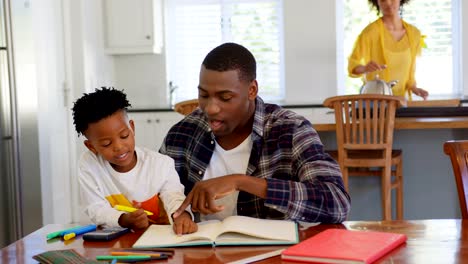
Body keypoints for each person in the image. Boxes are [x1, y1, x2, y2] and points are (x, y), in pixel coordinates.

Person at [161, 43, 351, 223]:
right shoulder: (182, 134)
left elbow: (336, 202)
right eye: (203, 95)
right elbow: (155, 195)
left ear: (251, 90)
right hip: (200, 254)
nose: (210, 109)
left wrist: (241, 182)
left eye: (225, 98)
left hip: (271, 255)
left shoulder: (290, 130)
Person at [72, 87, 197, 235]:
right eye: (106, 144)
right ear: (91, 146)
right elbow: (95, 208)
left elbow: (174, 196)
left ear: (132, 128)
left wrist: (182, 216)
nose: (119, 147)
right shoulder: (90, 165)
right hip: (117, 242)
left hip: (162, 239)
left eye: (124, 136)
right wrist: (123, 219)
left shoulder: (160, 164)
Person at [348, 0, 429, 100]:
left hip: (402, 103)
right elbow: (353, 66)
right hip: (376, 104)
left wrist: (415, 88)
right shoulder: (369, 33)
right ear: (377, 2)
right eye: (383, 0)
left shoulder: (414, 34)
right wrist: (365, 68)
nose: (388, 3)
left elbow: (410, 75)